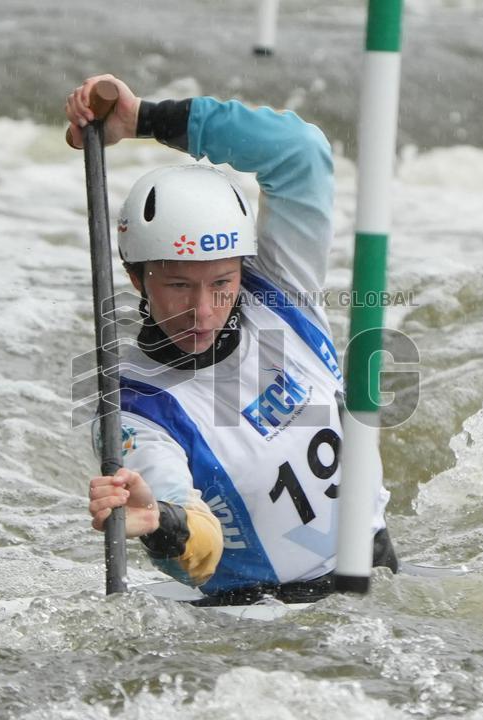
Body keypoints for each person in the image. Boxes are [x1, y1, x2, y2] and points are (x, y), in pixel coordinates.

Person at [66, 74, 396, 602]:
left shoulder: (282, 288)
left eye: (222, 283)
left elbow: (301, 152)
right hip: (264, 612)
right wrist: (160, 521)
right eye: (178, 285)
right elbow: (202, 548)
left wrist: (147, 119)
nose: (203, 310)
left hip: (377, 571)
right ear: (136, 278)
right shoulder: (135, 408)